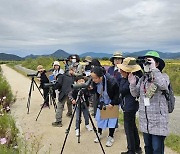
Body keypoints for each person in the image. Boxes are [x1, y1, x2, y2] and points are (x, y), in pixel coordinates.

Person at [128, 51, 169, 154]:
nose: (146, 64)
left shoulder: (163, 76)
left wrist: (154, 70)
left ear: (157, 63)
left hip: (158, 121)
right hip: (145, 121)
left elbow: (163, 85)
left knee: (157, 149)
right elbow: (135, 94)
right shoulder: (143, 79)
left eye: (149, 62)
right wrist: (132, 84)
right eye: (145, 62)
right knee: (148, 147)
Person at [117, 57, 142, 154]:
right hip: (131, 106)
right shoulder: (132, 78)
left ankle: (131, 150)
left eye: (122, 70)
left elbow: (122, 90)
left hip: (129, 107)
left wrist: (123, 80)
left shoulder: (131, 79)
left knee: (128, 129)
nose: (120, 71)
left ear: (128, 71)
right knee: (132, 127)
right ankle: (137, 148)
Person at [90, 66, 120, 147]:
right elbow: (94, 91)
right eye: (92, 78)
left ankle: (110, 136)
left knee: (111, 121)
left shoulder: (111, 81)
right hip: (102, 102)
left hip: (111, 102)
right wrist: (90, 89)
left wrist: (113, 103)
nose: (93, 80)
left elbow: (117, 94)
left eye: (95, 78)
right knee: (100, 119)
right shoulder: (94, 82)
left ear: (100, 76)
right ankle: (99, 133)